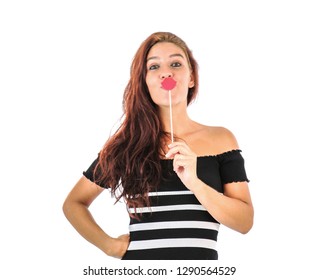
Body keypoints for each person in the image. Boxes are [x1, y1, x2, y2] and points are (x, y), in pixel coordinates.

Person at [62, 31, 254, 260]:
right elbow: (74, 203)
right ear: (144, 80)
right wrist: (109, 246)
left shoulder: (222, 140)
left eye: (176, 63)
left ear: (191, 77)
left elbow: (244, 222)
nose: (166, 73)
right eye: (154, 67)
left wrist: (194, 182)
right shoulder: (126, 145)